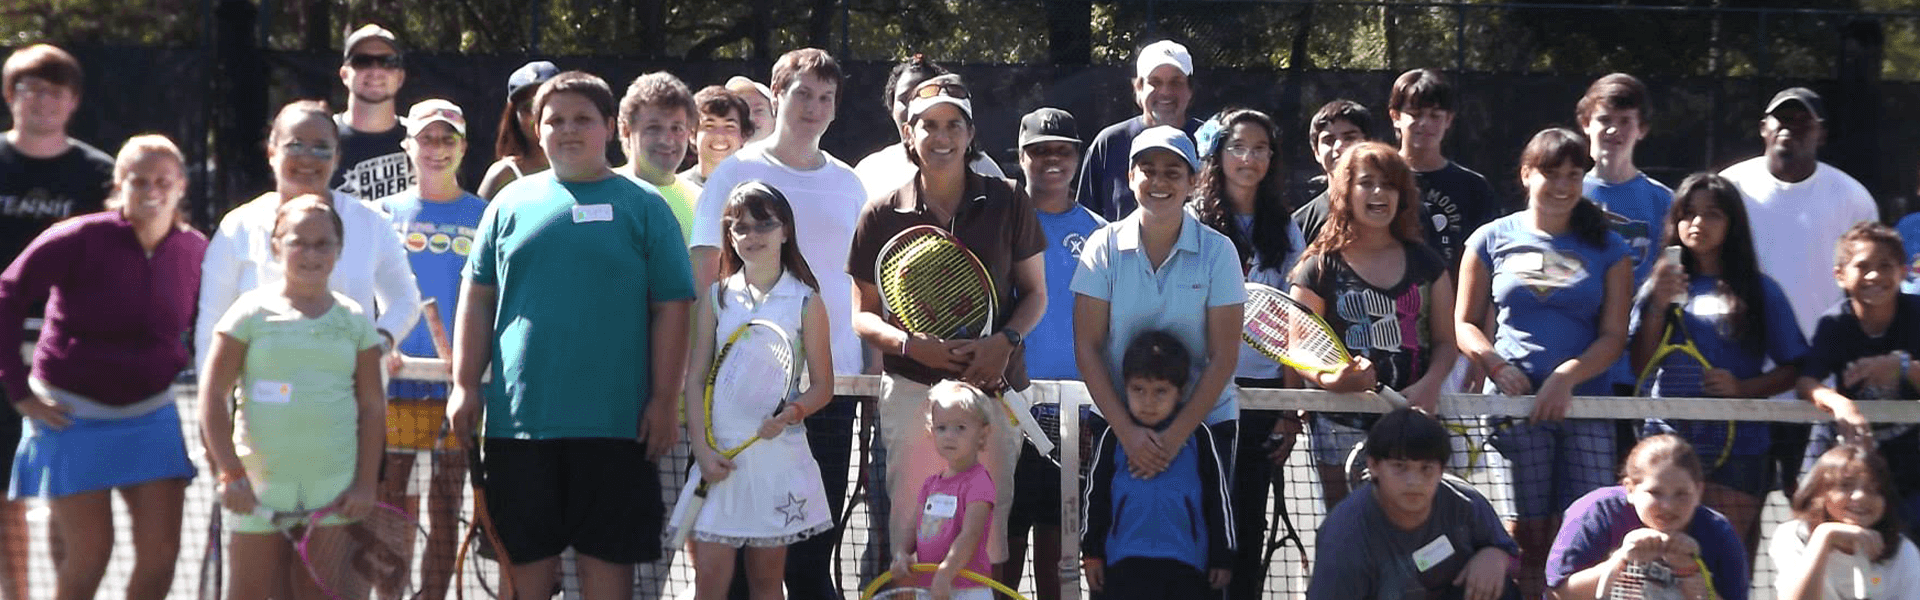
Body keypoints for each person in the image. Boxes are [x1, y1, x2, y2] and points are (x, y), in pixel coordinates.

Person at [445, 71, 694, 600]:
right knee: (527, 582)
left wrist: (665, 400)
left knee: (608, 582)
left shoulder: (645, 207)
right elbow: (479, 295)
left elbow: (673, 308)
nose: (568, 129)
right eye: (555, 119)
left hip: (618, 430)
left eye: (582, 118)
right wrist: (465, 385)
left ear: (609, 126)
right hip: (517, 427)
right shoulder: (507, 204)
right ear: (537, 128)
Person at [847, 73, 1045, 577]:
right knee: (913, 539)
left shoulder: (1009, 200)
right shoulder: (880, 212)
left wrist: (1005, 342)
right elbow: (863, 315)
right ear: (909, 133)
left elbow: (1036, 295)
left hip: (993, 395)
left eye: (953, 125)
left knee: (987, 538)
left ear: (970, 132)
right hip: (912, 391)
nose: (942, 137)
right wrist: (916, 348)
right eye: (929, 125)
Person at [691, 50, 866, 599]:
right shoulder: (737, 172)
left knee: (811, 559)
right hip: (741, 397)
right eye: (803, 93)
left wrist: (874, 371)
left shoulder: (850, 183)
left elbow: (866, 285)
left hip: (832, 395)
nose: (814, 107)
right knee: (746, 563)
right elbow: (705, 273)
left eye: (826, 97)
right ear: (776, 93)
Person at [0, 136, 204, 600]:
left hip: (152, 417)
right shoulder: (79, 237)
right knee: (90, 558)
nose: (151, 191)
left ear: (180, 187)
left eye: (163, 181)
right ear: (119, 184)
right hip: (71, 417)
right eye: (139, 180)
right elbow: (7, 292)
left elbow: (210, 326)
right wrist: (18, 389)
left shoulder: (195, 250)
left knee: (162, 556)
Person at [1455, 128, 1632, 593]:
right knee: (1527, 536)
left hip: (1588, 407)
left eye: (1574, 175)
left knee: (1587, 536)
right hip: (1514, 411)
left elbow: (1615, 336)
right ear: (1526, 174)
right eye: (1551, 174)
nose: (1563, 185)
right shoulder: (1489, 239)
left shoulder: (1611, 248)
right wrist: (1495, 364)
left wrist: (1566, 378)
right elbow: (1464, 324)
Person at [198, 196, 386, 600]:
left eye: (324, 243)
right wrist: (230, 474)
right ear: (275, 245)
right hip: (258, 495)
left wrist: (365, 484)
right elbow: (212, 396)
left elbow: (372, 407)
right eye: (299, 241)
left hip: (334, 494)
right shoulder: (247, 314)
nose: (311, 253)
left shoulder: (355, 320)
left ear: (339, 249)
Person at [1070, 126, 1244, 539]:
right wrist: (1128, 434)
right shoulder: (1102, 247)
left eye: (1172, 172)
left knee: (1198, 555)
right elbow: (1088, 347)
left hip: (1206, 427)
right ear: (1131, 178)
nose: (1159, 182)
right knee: (1113, 551)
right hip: (1117, 425)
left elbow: (1224, 357)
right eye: (1147, 170)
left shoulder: (1219, 252)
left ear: (1193, 181)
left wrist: (1175, 438)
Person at [672, 182, 835, 600]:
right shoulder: (715, 298)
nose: (752, 236)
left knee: (766, 584)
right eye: (740, 227)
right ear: (729, 235)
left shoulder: (805, 301)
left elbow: (823, 387)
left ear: (785, 232)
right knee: (709, 582)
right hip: (716, 460)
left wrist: (792, 413)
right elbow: (695, 377)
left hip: (776, 464)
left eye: (764, 225)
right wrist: (703, 451)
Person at [1631, 173, 1807, 553]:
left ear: (1732, 224)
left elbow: (1795, 367)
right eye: (1688, 214)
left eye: (1712, 214)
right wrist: (1658, 307)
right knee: (1664, 562)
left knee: (1725, 565)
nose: (1698, 223)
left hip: (1740, 449)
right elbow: (1640, 365)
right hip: (1665, 447)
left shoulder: (1760, 290)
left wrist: (1743, 390)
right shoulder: (1656, 287)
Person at [196, 100, 419, 381]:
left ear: (337, 157)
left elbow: (405, 300)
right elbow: (210, 326)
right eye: (295, 144)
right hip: (261, 409)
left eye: (321, 147)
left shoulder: (371, 223)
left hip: (348, 406)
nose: (307, 158)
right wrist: (212, 409)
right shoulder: (237, 227)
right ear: (271, 151)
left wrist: (378, 344)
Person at [0, 44, 113, 599]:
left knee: (69, 492)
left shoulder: (99, 176)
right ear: (9, 96)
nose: (40, 100)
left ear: (72, 102)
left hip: (69, 355)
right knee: (4, 495)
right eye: (28, 88)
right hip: (2, 353)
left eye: (53, 90)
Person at [1291, 142, 1457, 510]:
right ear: (1345, 192)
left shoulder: (1427, 264)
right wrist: (1333, 379)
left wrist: (1429, 386)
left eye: (1390, 184)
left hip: (1412, 421)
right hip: (1339, 423)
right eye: (1367, 183)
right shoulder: (1319, 267)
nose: (1379, 193)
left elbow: (1447, 341)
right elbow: (1299, 345)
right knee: (1346, 527)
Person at [1187, 107, 1305, 600]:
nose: (1248, 158)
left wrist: (1289, 407)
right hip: (1200, 394)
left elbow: (1299, 324)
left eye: (1260, 148)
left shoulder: (1287, 228)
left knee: (1247, 524)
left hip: (1260, 398)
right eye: (1237, 147)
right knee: (1199, 518)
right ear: (1218, 154)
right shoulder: (1193, 221)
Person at [375, 99, 486, 600]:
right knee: (391, 498)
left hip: (458, 387)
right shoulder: (381, 215)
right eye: (427, 138)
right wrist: (380, 346)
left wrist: (470, 368)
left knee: (446, 500)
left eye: (448, 139)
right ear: (408, 146)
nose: (437, 149)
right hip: (396, 382)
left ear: (463, 148)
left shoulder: (486, 215)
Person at [1000, 106, 1099, 600]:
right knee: (1006, 548)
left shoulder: (1103, 233)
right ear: (1022, 157)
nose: (1051, 161)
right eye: (1040, 152)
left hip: (1077, 416)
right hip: (1008, 410)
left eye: (1062, 151)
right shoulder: (999, 223)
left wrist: (1094, 408)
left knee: (1060, 558)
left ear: (1077, 157)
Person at [1306, 408, 1518, 600]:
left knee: (1503, 590)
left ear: (1442, 469)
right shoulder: (1343, 535)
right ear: (1373, 466)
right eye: (1400, 466)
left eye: (1426, 468)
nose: (1414, 481)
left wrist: (1496, 556)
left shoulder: (1466, 503)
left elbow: (1511, 554)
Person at [1080, 331, 1232, 599]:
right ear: (1125, 387)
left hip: (1187, 567)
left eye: (1160, 391)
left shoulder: (1199, 437)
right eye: (1138, 389)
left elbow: (1217, 500)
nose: (1148, 402)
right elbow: (1096, 497)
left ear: (1180, 391)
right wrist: (1091, 553)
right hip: (1123, 566)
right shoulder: (1114, 436)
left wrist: (1222, 556)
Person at [1795, 222, 1920, 542]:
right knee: (1815, 530)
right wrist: (1840, 404)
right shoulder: (1834, 324)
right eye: (1863, 267)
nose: (1875, 276)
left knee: (1904, 546)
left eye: (1885, 266)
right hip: (1846, 453)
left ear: (1903, 271)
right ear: (1840, 275)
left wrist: (1901, 367)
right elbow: (1807, 382)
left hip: (1909, 459)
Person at [1720, 87, 1876, 341]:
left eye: (1803, 120)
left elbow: (1865, 281)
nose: (1790, 126)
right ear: (1763, 127)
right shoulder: (1729, 186)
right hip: (1742, 347)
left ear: (1822, 134)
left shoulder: (1853, 197)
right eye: (1782, 118)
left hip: (1821, 350)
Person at [1545, 434, 1749, 600]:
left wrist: (1689, 571)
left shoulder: (1719, 532)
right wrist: (1620, 561)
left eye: (1681, 494)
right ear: (1630, 489)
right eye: (1655, 493)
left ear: (1699, 491)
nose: (1668, 506)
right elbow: (1558, 594)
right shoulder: (1595, 514)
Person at [889, 381, 1001, 600]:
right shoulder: (931, 484)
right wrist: (901, 553)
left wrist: (946, 573)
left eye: (960, 427)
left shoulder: (979, 482)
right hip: (930, 588)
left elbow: (971, 534)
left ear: (982, 433)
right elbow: (912, 529)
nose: (949, 435)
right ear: (932, 431)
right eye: (942, 428)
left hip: (968, 590)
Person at [1768, 444, 1920, 600]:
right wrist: (1824, 536)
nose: (1860, 496)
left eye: (1874, 489)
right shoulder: (1792, 535)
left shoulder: (1903, 550)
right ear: (1821, 492)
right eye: (1846, 486)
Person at [1077, 40, 1204, 222]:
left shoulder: (1210, 142)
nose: (1165, 92)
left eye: (1176, 82)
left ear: (1190, 89)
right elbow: (1084, 219)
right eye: (1155, 82)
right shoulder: (1109, 143)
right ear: (1138, 88)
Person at [1387, 69, 1498, 270]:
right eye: (1415, 114)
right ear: (1395, 116)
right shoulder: (1380, 178)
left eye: (1435, 115)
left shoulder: (1474, 188)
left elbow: (1488, 256)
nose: (1425, 123)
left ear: (1448, 120)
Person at [852, 55, 1003, 203]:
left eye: (924, 96)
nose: (913, 106)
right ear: (891, 108)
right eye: (905, 99)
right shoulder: (869, 171)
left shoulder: (982, 167)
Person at [1578, 73, 1671, 288]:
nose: (1613, 130)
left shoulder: (1664, 200)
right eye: (1604, 119)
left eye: (1625, 121)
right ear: (1586, 123)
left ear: (1642, 129)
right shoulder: (1566, 194)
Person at [330, 24, 413, 203]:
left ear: (400, 77)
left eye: (387, 62)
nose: (376, 71)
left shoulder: (421, 137)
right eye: (362, 61)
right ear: (344, 74)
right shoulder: (323, 135)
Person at [617, 71, 702, 241]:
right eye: (654, 128)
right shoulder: (600, 194)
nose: (667, 140)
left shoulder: (702, 201)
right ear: (626, 131)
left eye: (676, 128)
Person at [1292, 99, 1376, 241]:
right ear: (1316, 152)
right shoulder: (1298, 225)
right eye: (1329, 140)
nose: (1338, 146)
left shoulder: (1394, 210)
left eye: (1349, 137)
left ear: (1369, 144)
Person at [477, 60, 558, 200]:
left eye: (545, 105)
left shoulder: (590, 167)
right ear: (514, 117)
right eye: (528, 108)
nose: (537, 116)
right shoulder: (503, 174)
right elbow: (478, 221)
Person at [681, 86, 753, 186]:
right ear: (692, 134)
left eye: (729, 126)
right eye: (709, 126)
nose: (720, 135)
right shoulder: (674, 191)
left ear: (743, 135)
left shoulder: (757, 189)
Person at [725, 76, 776, 145]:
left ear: (774, 117)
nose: (750, 118)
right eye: (742, 112)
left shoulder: (792, 153)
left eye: (758, 110)